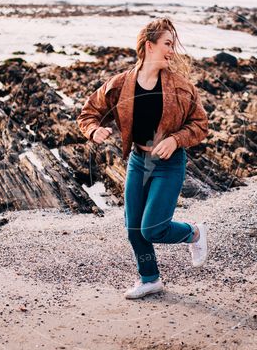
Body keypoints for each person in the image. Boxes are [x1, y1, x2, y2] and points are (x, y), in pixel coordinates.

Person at [77, 18, 209, 299]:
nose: (172, 51)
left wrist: (175, 139)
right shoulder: (120, 84)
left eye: (173, 45)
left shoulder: (181, 87)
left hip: (169, 164)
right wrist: (94, 130)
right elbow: (88, 112)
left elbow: (200, 125)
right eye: (167, 44)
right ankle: (150, 279)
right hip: (138, 160)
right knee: (133, 227)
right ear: (149, 46)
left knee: (153, 228)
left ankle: (194, 233)